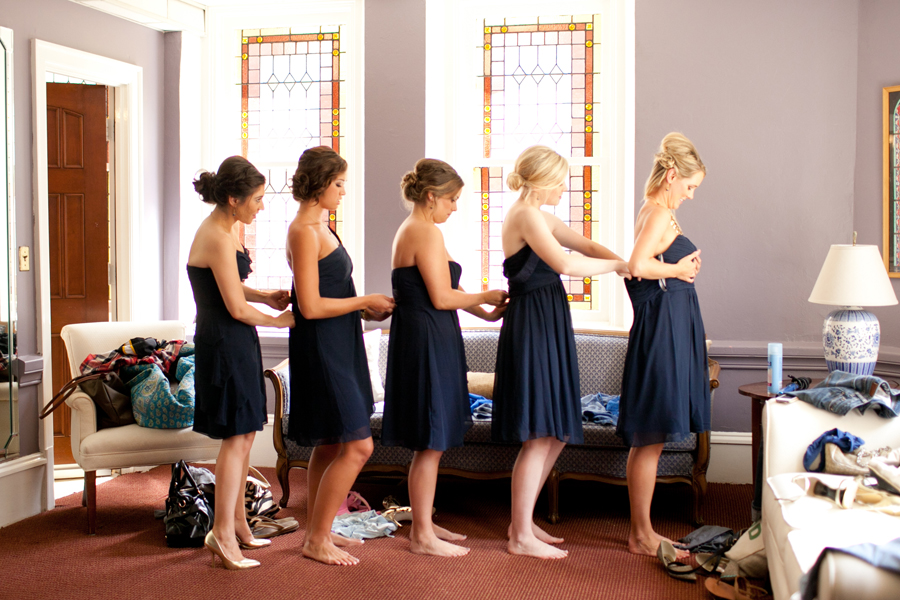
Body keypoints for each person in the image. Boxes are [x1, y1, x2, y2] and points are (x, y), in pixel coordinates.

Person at [492, 145, 630, 559]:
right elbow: (567, 265)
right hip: (533, 326)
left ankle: (524, 522)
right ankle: (519, 536)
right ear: (542, 181)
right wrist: (618, 268)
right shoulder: (525, 215)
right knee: (538, 435)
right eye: (561, 181)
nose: (564, 188)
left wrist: (626, 261)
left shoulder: (540, 216)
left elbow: (585, 245)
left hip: (547, 321)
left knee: (554, 433)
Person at [382, 159, 508, 557]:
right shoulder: (424, 232)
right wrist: (486, 296)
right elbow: (441, 297)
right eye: (452, 199)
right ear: (431, 196)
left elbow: (447, 288)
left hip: (429, 333)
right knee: (431, 439)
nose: (455, 207)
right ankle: (421, 535)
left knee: (431, 438)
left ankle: (425, 522)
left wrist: (485, 313)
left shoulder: (418, 230)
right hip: (426, 338)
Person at [285, 146, 395, 566]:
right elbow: (309, 306)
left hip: (340, 340)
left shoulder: (322, 226)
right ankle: (315, 538)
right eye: (338, 183)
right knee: (358, 446)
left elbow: (331, 294)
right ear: (318, 184)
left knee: (331, 443)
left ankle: (322, 529)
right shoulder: (303, 230)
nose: (343, 191)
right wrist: (362, 300)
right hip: (323, 348)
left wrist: (362, 306)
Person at [187, 156, 294, 570]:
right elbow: (231, 306)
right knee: (236, 436)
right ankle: (223, 535)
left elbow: (230, 286)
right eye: (257, 199)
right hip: (224, 341)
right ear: (233, 199)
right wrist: (280, 320)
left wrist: (265, 296)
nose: (261, 206)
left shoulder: (226, 227)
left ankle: (240, 525)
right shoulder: (215, 234)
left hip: (236, 339)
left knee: (246, 433)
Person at [617, 132, 710, 557]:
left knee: (650, 438)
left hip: (667, 331)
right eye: (689, 187)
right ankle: (640, 535)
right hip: (660, 337)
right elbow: (636, 266)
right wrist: (676, 269)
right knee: (650, 436)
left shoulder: (659, 212)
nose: (690, 196)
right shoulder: (656, 212)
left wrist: (675, 270)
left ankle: (643, 531)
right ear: (672, 175)